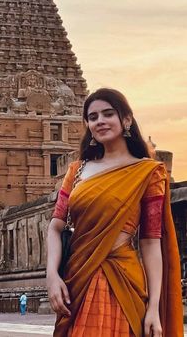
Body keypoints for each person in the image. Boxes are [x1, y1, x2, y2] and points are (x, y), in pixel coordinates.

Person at [47, 88, 183, 337]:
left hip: (122, 279)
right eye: (93, 117)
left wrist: (153, 307)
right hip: (78, 277)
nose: (100, 121)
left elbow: (151, 242)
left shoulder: (148, 173)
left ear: (127, 119)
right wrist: (52, 276)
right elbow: (55, 227)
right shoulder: (76, 170)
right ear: (87, 124)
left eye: (108, 114)